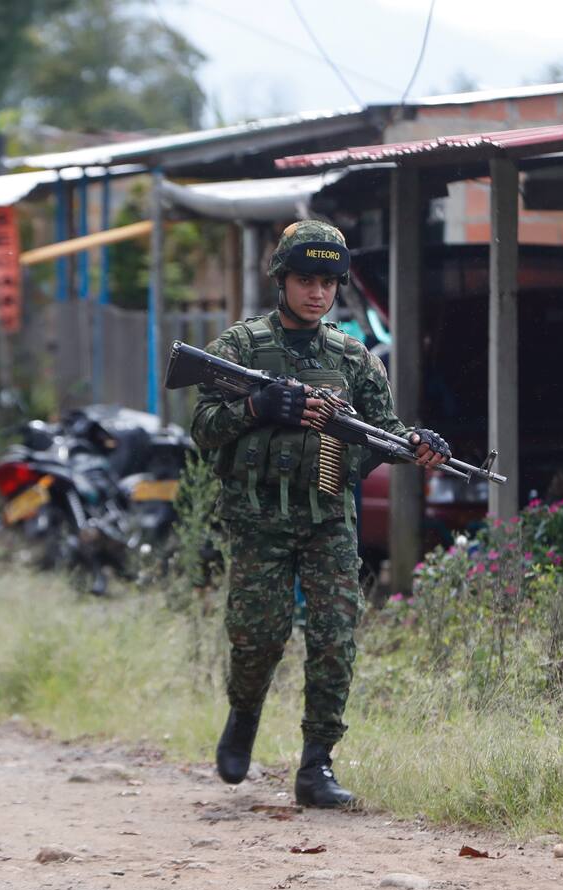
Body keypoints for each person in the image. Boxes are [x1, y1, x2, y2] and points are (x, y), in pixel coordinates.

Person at [191, 220, 449, 808]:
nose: (317, 293)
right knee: (259, 636)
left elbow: (384, 433)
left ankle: (316, 766)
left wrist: (421, 445)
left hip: (329, 516)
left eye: (329, 282)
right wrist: (257, 405)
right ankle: (244, 714)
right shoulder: (240, 347)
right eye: (306, 280)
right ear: (282, 280)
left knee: (335, 637)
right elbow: (204, 428)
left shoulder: (353, 357)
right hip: (259, 518)